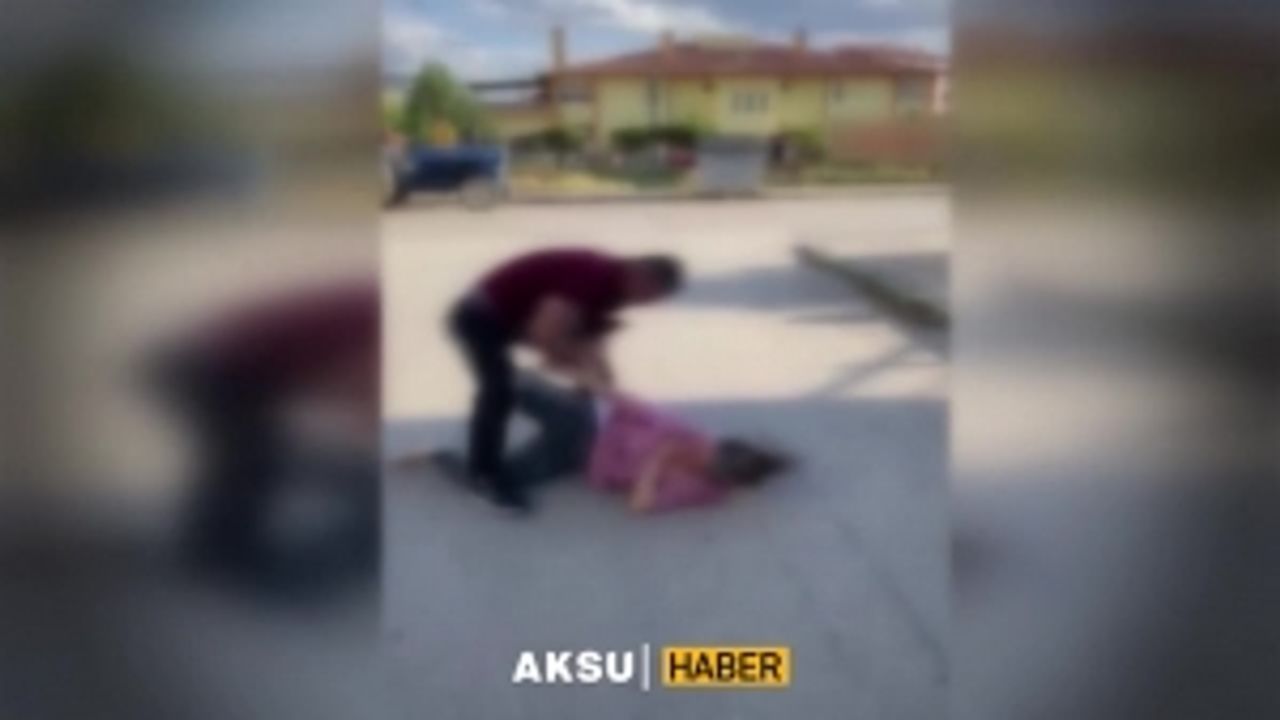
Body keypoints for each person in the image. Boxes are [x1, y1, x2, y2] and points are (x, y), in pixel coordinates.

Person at [448, 248, 684, 512]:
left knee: (583, 383)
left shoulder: (615, 289)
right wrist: (584, 373)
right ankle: (483, 475)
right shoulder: (591, 277)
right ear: (641, 278)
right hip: (479, 316)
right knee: (497, 391)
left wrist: (603, 384)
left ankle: (570, 429)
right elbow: (544, 335)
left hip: (514, 319)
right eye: (649, 297)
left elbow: (590, 340)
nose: (644, 305)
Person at [503, 373, 790, 513]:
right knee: (563, 411)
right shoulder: (690, 435)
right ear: (717, 445)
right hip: (594, 423)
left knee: (510, 474)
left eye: (704, 465)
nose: (699, 455)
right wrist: (603, 389)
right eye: (707, 451)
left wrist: (657, 462)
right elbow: (641, 410)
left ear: (716, 477)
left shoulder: (699, 490)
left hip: (583, 459)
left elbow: (639, 505)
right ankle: (514, 383)